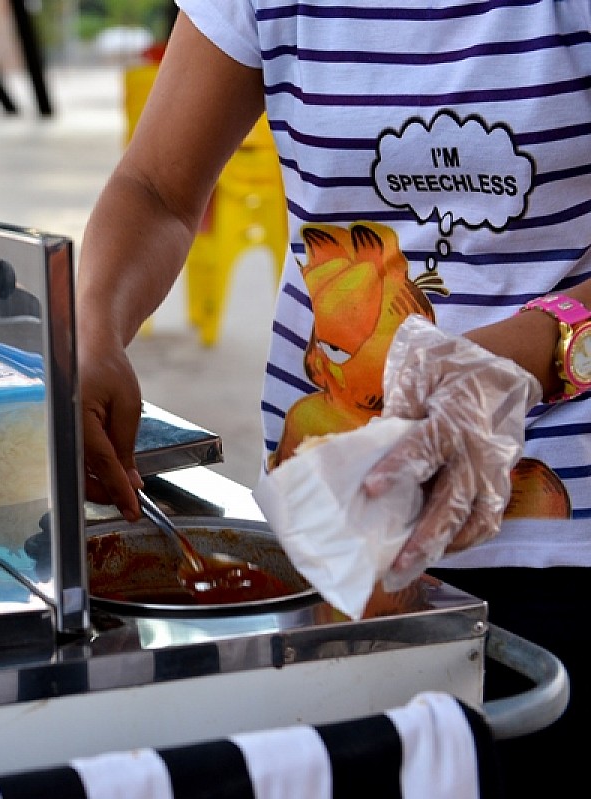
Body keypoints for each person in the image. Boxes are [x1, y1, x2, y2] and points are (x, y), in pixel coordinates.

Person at [75, 2, 589, 793]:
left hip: (555, 561)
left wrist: (524, 358)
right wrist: (95, 329)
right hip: (329, 549)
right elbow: (157, 187)